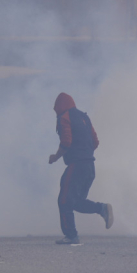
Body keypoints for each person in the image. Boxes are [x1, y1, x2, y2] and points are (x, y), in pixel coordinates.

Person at [49, 92, 113, 245]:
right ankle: (102, 209)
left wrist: (55, 157)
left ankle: (71, 236)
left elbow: (66, 142)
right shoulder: (84, 117)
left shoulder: (64, 117)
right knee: (75, 201)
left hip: (76, 166)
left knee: (64, 201)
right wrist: (85, 152)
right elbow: (95, 142)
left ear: (60, 106)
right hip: (90, 166)